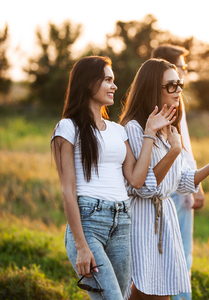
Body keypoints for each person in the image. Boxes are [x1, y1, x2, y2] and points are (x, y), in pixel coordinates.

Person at [51, 56, 177, 300]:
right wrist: (81, 246)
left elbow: (137, 180)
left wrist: (149, 133)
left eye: (113, 80)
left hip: (122, 221)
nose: (114, 86)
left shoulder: (118, 131)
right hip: (89, 223)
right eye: (108, 80)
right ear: (88, 83)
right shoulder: (67, 128)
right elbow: (68, 190)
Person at [119, 58, 209, 300]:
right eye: (171, 85)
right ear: (153, 88)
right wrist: (174, 151)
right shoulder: (134, 128)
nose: (178, 91)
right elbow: (142, 186)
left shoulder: (169, 129)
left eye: (180, 84)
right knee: (149, 292)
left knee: (158, 292)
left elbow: (184, 181)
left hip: (166, 220)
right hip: (142, 222)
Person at [151, 44, 205, 300]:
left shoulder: (163, 102)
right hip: (174, 183)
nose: (183, 74)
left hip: (171, 181)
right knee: (181, 254)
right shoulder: (173, 103)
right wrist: (197, 186)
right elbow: (182, 147)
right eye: (181, 67)